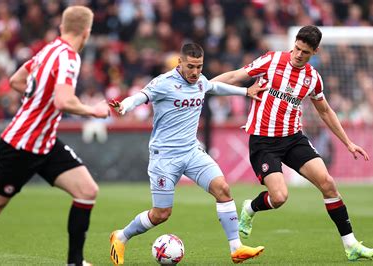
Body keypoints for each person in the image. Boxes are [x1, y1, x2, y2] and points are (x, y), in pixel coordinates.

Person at [0, 6, 110, 266]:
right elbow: (63, 101)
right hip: (22, 145)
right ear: (87, 32)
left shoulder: (49, 50)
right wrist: (92, 110)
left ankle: (75, 262)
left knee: (86, 190)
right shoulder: (70, 58)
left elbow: (17, 80)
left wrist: (36, 100)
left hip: (45, 142)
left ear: (62, 28)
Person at [211, 25, 373, 261]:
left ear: (315, 52)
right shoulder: (271, 61)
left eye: (305, 52)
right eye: (297, 48)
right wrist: (204, 87)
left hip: (293, 139)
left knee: (328, 183)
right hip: (263, 141)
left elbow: (325, 111)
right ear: (294, 44)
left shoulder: (313, 78)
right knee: (279, 197)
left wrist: (348, 143)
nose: (298, 54)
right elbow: (234, 76)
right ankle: (250, 208)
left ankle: (351, 245)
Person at [108, 43, 265, 265]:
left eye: (199, 66)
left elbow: (213, 87)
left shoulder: (200, 80)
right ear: (180, 63)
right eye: (190, 66)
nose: (195, 72)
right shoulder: (164, 83)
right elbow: (142, 96)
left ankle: (236, 248)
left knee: (223, 189)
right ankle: (121, 236)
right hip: (165, 157)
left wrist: (245, 92)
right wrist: (124, 106)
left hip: (192, 152)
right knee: (161, 214)